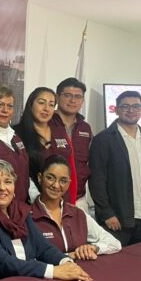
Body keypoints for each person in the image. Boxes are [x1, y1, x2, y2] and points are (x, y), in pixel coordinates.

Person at [0, 159, 92, 281]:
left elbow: (43, 247)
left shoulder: (20, 211)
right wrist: (52, 271)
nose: (2, 188)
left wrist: (66, 263)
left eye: (8, 182)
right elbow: (1, 262)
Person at [89, 90, 141, 246]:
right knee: (116, 260)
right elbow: (97, 180)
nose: (131, 110)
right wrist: (106, 213)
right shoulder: (103, 139)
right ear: (116, 109)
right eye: (125, 106)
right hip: (117, 220)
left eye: (136, 106)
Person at [30, 155, 121, 259]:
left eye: (63, 181)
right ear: (40, 178)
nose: (56, 185)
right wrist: (67, 257)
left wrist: (93, 248)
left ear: (69, 183)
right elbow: (24, 259)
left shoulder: (77, 214)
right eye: (50, 178)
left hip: (81, 269)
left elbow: (115, 243)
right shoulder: (27, 217)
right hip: (50, 270)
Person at [48, 78, 93, 208]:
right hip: (51, 198)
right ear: (57, 97)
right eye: (68, 95)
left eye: (78, 97)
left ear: (82, 100)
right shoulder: (46, 123)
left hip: (79, 199)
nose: (73, 100)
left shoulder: (85, 128)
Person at [13, 87, 57, 201]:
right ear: (30, 105)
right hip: (30, 200)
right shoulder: (15, 134)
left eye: (51, 105)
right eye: (41, 103)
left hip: (59, 199)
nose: (46, 109)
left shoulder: (59, 131)